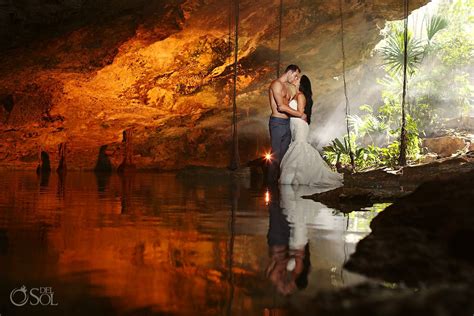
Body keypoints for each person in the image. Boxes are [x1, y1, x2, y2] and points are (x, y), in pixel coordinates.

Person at [279, 75, 343, 187]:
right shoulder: (296, 95)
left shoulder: (300, 96)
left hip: (299, 124)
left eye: (298, 79)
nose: (295, 79)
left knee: (300, 146)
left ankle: (301, 175)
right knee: (297, 146)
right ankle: (299, 174)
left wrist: (286, 110)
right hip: (295, 124)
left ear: (301, 84)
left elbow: (300, 113)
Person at [268, 65, 307, 183]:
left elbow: (290, 104)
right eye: (295, 75)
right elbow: (281, 106)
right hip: (277, 123)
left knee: (285, 157)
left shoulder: (287, 87)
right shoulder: (276, 84)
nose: (295, 78)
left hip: (287, 123)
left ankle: (280, 185)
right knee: (275, 156)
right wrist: (300, 114)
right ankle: (270, 187)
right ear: (290, 72)